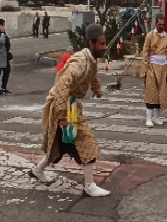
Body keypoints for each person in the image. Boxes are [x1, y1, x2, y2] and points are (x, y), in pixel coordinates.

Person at [29, 23, 110, 197]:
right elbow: (61, 88)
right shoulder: (79, 64)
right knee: (88, 143)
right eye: (101, 44)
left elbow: (93, 74)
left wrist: (97, 89)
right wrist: (62, 117)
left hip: (72, 107)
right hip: (65, 108)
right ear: (91, 44)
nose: (105, 47)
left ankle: (37, 170)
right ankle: (89, 186)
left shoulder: (91, 60)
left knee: (61, 145)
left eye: (105, 43)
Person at [141, 13, 167, 128]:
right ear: (156, 24)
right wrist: (145, 69)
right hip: (152, 67)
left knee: (161, 93)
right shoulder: (150, 36)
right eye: (159, 24)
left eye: (163, 25)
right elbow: (145, 53)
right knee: (151, 93)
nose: (161, 27)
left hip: (163, 68)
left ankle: (156, 117)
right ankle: (148, 118)